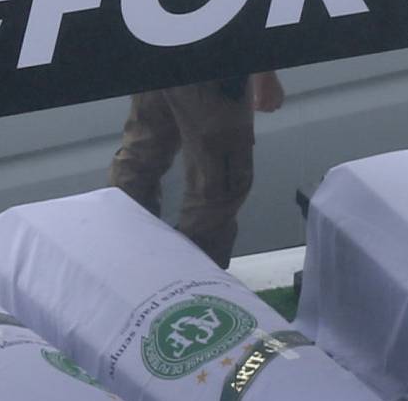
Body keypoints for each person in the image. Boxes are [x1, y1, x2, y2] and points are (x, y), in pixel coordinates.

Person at [108, 72, 284, 269]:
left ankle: (122, 265)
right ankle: (195, 281)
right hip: (211, 63)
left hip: (157, 54)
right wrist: (264, 74)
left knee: (141, 159)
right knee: (220, 183)